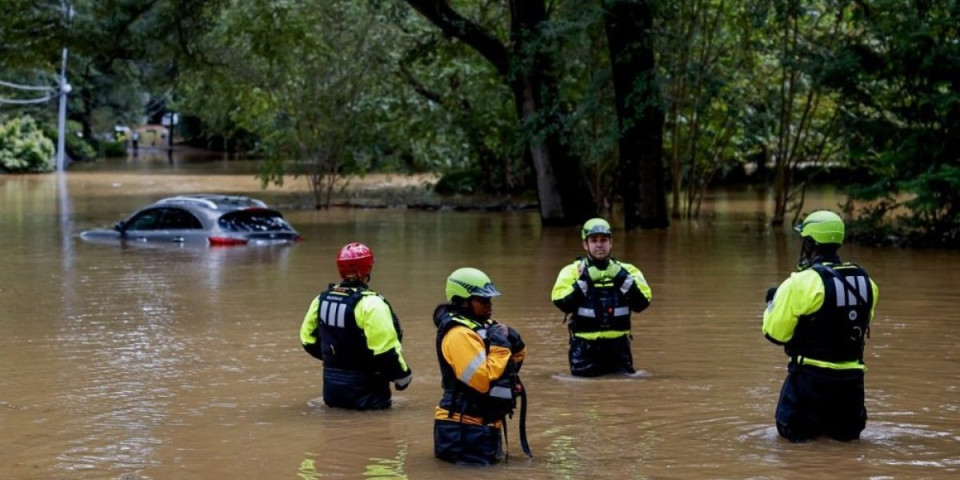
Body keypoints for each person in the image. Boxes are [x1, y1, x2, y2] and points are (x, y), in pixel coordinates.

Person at [762, 210, 879, 442]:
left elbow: (775, 333)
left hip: (808, 386)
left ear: (810, 243)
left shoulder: (799, 283)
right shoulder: (868, 283)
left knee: (796, 455)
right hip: (851, 390)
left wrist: (772, 302)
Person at [299, 242, 412, 410]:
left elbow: (307, 340)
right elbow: (385, 351)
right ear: (367, 269)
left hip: (332, 389)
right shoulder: (372, 304)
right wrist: (403, 377)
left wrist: (335, 360)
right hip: (367, 393)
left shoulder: (321, 300)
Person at [433, 267, 527, 465]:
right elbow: (482, 381)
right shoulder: (458, 334)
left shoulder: (483, 326)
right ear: (464, 301)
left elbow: (512, 364)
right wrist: (500, 346)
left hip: (484, 426)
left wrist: (513, 337)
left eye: (490, 300)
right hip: (463, 432)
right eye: (483, 300)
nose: (489, 305)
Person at [551, 218, 652, 377]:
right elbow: (562, 303)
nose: (599, 244)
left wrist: (620, 277)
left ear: (611, 243)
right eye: (594, 240)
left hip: (619, 349)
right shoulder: (571, 271)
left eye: (603, 240)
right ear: (586, 244)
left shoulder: (628, 270)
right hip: (584, 349)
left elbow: (642, 303)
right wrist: (585, 281)